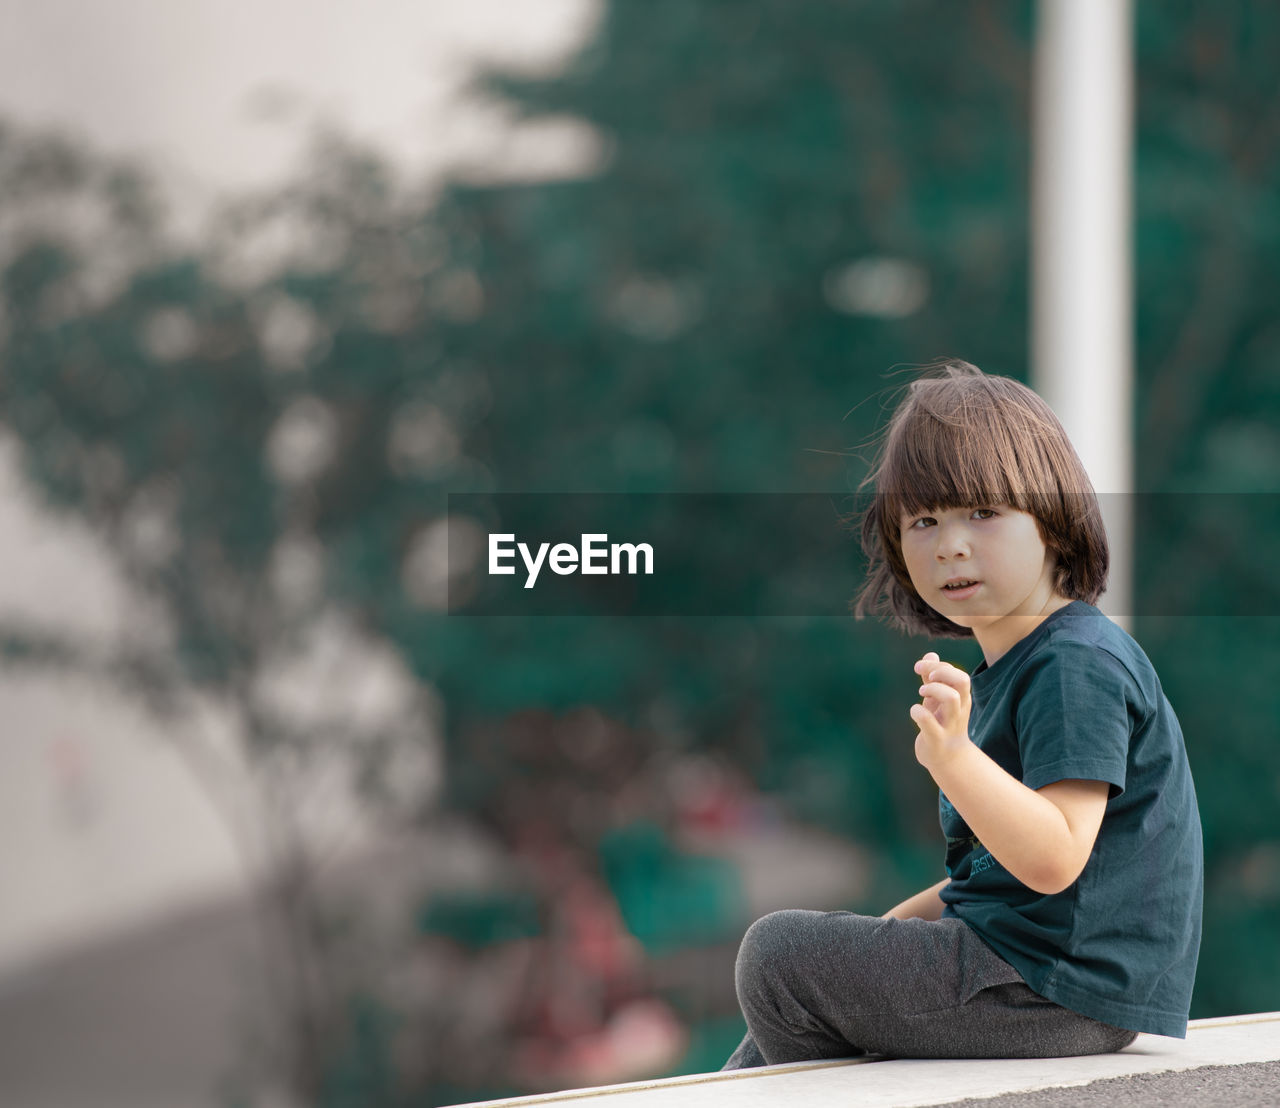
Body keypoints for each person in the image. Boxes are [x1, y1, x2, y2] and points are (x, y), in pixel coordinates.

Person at [722, 361, 1203, 1069]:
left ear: (1052, 516)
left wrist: (955, 760)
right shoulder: (1026, 664)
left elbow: (1052, 858)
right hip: (1029, 977)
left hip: (1051, 988)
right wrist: (874, 944)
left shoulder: (1073, 664)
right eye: (923, 520)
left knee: (778, 955)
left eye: (982, 512)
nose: (950, 544)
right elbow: (987, 881)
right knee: (792, 992)